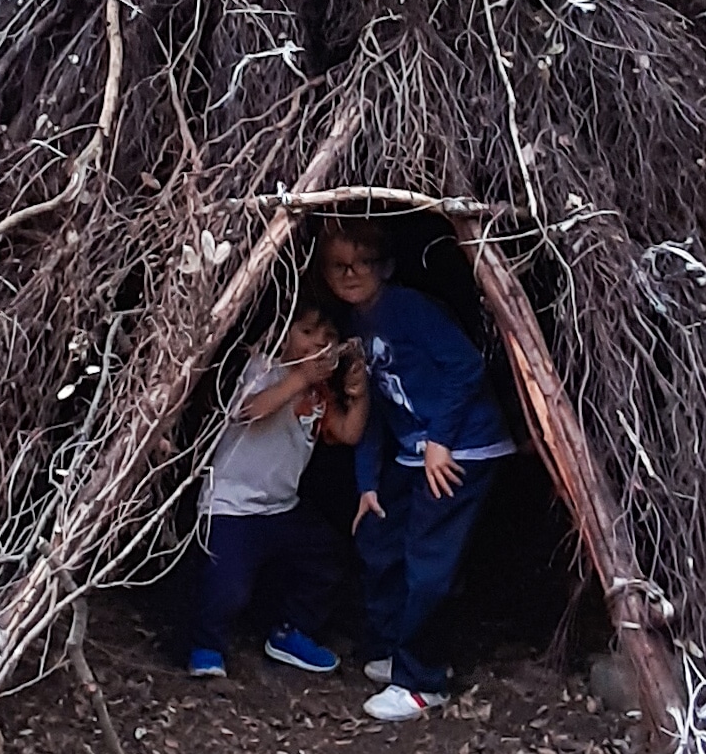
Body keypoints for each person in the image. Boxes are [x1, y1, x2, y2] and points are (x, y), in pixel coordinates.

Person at [320, 219, 513, 720]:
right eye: (339, 265)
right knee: (378, 539)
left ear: (384, 266)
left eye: (363, 263)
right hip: (413, 451)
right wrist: (367, 484)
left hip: (461, 450)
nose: (351, 273)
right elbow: (378, 405)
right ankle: (394, 649)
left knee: (430, 562)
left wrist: (440, 441)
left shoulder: (407, 309)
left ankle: (423, 680)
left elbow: (466, 364)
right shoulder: (357, 323)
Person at [185, 303, 369, 679]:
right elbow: (248, 412)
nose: (319, 342)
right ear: (281, 329)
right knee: (227, 588)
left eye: (328, 337)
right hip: (230, 505)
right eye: (307, 332)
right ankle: (206, 646)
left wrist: (360, 394)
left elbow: (348, 433)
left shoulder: (318, 392)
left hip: (280, 507)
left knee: (326, 558)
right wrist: (300, 378)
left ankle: (290, 631)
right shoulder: (257, 368)